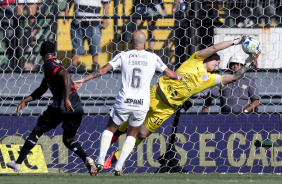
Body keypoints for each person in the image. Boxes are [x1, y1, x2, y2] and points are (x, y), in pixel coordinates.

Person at [102, 35, 261, 170]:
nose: (217, 63)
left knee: (142, 134)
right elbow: (214, 48)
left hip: (166, 109)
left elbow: (235, 77)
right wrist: (237, 41)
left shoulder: (211, 79)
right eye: (216, 61)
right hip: (155, 94)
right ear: (208, 58)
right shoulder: (195, 59)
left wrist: (249, 61)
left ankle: (114, 158)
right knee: (129, 119)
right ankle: (112, 139)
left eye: (219, 63)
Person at [74, 31, 182, 176]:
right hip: (141, 104)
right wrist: (178, 76)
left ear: (131, 42)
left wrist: (84, 80)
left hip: (124, 101)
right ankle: (118, 166)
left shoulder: (123, 56)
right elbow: (170, 74)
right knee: (132, 135)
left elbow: (103, 70)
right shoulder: (153, 57)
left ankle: (100, 162)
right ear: (145, 43)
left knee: (109, 130)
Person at [6, 41, 96, 176]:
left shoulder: (49, 64)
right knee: (68, 140)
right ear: (54, 52)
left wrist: (65, 99)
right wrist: (26, 100)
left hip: (63, 104)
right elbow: (42, 89)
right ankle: (87, 159)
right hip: (76, 106)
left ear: (42, 54)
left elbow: (67, 75)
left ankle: (18, 163)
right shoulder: (52, 68)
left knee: (37, 130)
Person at [64, 0, 110, 70]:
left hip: (93, 22)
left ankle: (95, 64)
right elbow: (69, 1)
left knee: (94, 43)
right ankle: (73, 64)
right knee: (76, 43)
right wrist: (66, 14)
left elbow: (106, 3)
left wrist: (105, 18)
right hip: (77, 21)